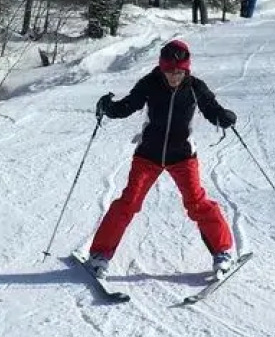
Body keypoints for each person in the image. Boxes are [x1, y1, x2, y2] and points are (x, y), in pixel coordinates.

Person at [87, 39, 238, 278]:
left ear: (186, 69)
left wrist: (223, 117)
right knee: (129, 201)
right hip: (149, 154)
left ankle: (222, 252)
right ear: (161, 67)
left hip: (183, 155)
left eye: (179, 72)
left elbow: (211, 109)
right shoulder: (149, 83)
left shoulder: (195, 87)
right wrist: (110, 108)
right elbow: (129, 105)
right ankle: (99, 255)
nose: (174, 76)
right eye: (169, 71)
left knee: (197, 202)